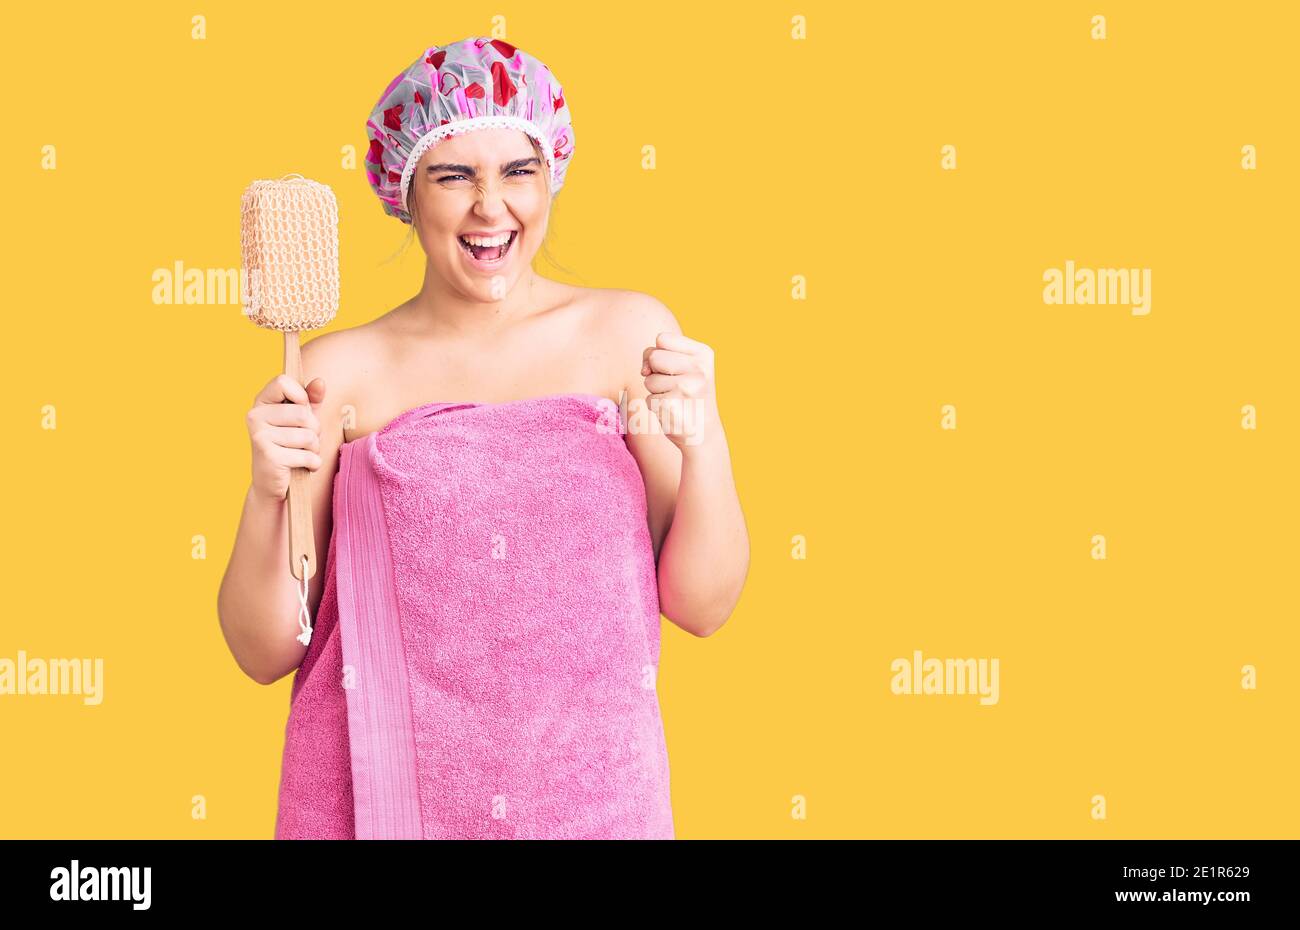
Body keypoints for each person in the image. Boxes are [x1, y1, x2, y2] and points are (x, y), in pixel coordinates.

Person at [218, 37, 749, 839]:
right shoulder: (337, 376)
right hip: (385, 808)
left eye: (517, 171)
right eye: (454, 174)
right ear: (406, 190)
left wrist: (706, 444)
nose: (490, 207)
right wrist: (267, 494)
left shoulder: (629, 337)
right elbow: (263, 653)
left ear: (552, 177)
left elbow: (703, 606)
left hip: (595, 807)